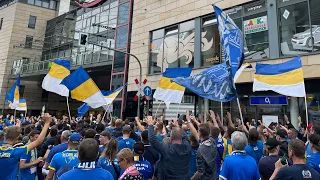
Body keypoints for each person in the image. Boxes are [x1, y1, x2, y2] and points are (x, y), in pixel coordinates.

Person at [0, 113, 51, 180]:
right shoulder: (17, 151)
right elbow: (38, 141)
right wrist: (47, 123)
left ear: (5, 136)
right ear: (17, 137)